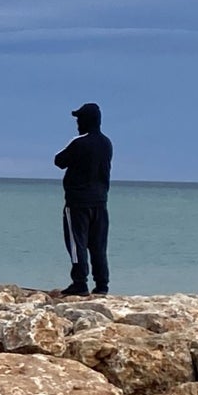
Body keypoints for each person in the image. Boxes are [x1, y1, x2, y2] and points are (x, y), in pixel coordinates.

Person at [54, 102, 112, 296]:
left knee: (76, 243)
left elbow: (59, 161)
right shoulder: (106, 143)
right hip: (100, 201)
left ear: (86, 121)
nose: (77, 123)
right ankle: (102, 285)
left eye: (79, 119)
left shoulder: (79, 142)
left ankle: (80, 283)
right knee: (98, 245)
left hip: (78, 202)